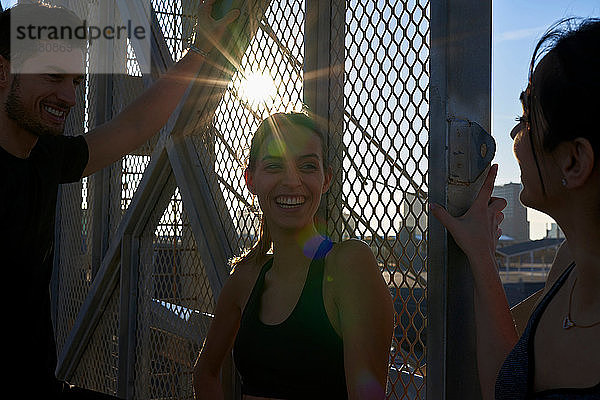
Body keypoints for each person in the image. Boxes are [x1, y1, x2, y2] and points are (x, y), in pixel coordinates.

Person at [0, 1, 238, 397]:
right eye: (53, 76)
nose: (70, 97)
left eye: (75, 82)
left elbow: (133, 124)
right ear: (3, 72)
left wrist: (202, 49)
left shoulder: (44, 157)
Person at [430, 18, 600, 400]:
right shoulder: (569, 263)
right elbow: (505, 384)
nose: (512, 135)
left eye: (526, 119)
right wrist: (481, 255)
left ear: (574, 161)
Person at [192, 112, 394, 399]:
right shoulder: (246, 278)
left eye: (307, 166)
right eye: (274, 166)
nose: (292, 181)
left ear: (326, 180)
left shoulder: (349, 266)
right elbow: (205, 373)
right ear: (251, 179)